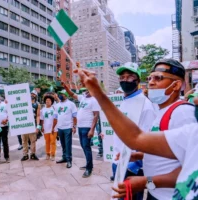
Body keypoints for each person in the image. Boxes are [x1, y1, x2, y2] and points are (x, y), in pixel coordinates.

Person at [74, 67, 198, 200]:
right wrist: (139, 156)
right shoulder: (162, 111)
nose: (150, 82)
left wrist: (144, 180)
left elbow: (137, 138)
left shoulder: (183, 113)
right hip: (153, 189)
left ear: (177, 85)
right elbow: (162, 146)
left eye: (158, 78)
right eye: (150, 78)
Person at [110, 62, 156, 200]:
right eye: (122, 77)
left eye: (129, 77)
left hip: (132, 167)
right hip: (119, 161)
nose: (125, 80)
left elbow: (147, 139)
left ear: (137, 80)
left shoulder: (145, 105)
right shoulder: (126, 100)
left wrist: (134, 165)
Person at [63, 84, 100, 178]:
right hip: (81, 126)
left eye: (88, 90)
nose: (86, 91)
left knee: (86, 147)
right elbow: (72, 94)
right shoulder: (83, 98)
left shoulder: (94, 100)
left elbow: (96, 115)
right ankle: (88, 163)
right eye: (85, 90)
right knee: (84, 146)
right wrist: (66, 87)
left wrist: (92, 130)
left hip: (87, 127)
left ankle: (89, 168)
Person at [53, 90, 77, 168]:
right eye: (60, 94)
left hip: (68, 127)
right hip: (60, 127)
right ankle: (64, 157)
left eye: (62, 94)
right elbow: (55, 117)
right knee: (63, 144)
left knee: (68, 144)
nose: (61, 95)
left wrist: (74, 126)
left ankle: (69, 160)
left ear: (66, 95)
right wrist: (54, 127)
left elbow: (74, 117)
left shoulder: (71, 104)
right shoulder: (57, 105)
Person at [21, 90, 41, 161]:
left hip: (33, 124)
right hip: (24, 124)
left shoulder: (37, 104)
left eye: (34, 94)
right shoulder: (24, 103)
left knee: (33, 140)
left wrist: (38, 126)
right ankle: (25, 154)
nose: (32, 95)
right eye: (31, 94)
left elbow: (38, 116)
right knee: (24, 140)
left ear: (36, 96)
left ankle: (33, 154)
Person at [40, 94, 58, 161]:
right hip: (46, 128)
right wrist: (42, 127)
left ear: (51, 101)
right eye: (46, 100)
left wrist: (53, 127)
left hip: (53, 128)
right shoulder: (43, 110)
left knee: (53, 142)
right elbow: (42, 119)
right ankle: (47, 154)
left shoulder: (54, 108)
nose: (47, 101)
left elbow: (56, 119)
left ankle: (53, 154)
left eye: (49, 100)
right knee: (47, 141)